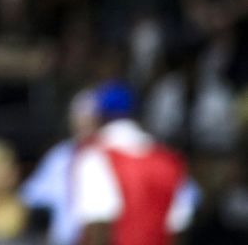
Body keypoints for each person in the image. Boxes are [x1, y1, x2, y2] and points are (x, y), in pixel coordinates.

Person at [72, 81, 198, 245]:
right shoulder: (170, 162)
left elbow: (98, 224)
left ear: (100, 115)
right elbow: (178, 228)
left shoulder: (96, 157)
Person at [19, 88, 99, 245]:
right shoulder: (61, 156)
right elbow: (30, 196)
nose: (83, 124)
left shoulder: (110, 157)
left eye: (89, 119)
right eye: (78, 117)